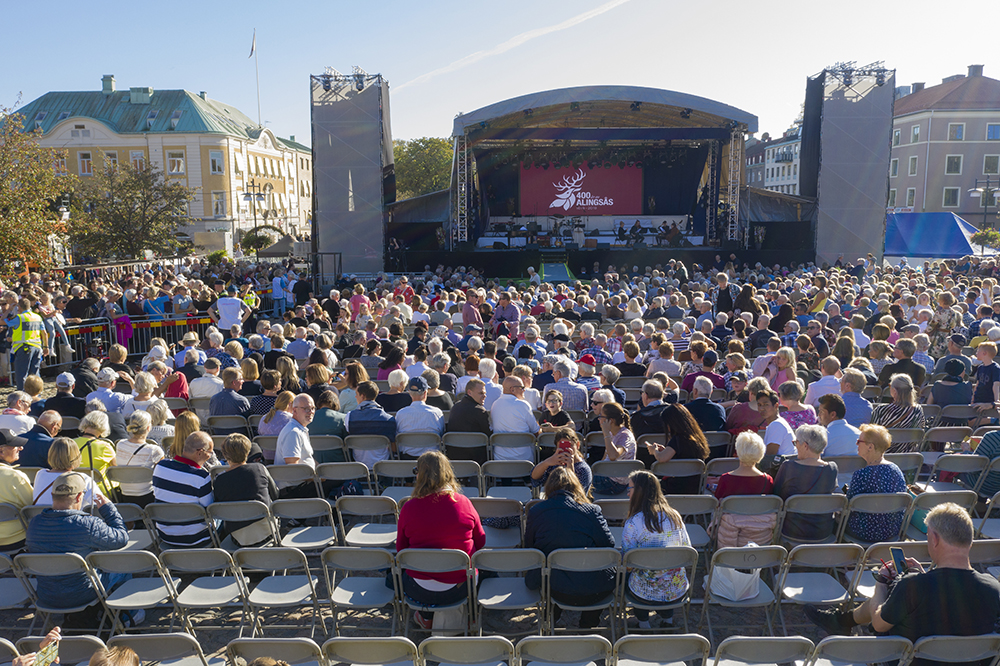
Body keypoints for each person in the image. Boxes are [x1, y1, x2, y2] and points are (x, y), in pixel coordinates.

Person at [806, 503, 1000, 663]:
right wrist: (925, 576)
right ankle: (842, 621)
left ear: (934, 539)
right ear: (970, 541)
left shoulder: (912, 586)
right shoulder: (994, 589)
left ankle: (841, 621)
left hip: (906, 660)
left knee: (888, 596)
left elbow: (878, 624)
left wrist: (881, 582)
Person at [25, 471, 136, 629]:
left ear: (52, 495)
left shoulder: (34, 524)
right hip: (83, 594)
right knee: (123, 567)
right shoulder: (88, 524)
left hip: (47, 595)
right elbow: (121, 538)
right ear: (79, 497)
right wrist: (108, 509)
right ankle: (128, 616)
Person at [394, 450, 485, 630]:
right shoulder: (464, 502)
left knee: (392, 575)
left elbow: (401, 550)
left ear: (419, 475)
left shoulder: (409, 508)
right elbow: (480, 542)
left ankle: (426, 616)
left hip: (418, 589)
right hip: (459, 589)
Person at [525, 466, 616, 629]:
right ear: (576, 486)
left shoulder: (536, 511)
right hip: (593, 588)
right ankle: (588, 624)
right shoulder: (591, 511)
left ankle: (552, 618)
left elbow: (530, 548)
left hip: (553, 587)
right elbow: (608, 545)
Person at [621, 470, 692, 629]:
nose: (628, 494)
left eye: (630, 489)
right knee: (667, 574)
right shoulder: (675, 516)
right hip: (675, 590)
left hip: (643, 593)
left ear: (639, 491)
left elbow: (628, 563)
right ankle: (667, 621)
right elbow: (687, 551)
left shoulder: (633, 523)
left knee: (627, 575)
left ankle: (643, 624)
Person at [772, 424, 839, 542]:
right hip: (822, 532)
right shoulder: (832, 468)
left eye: (796, 443)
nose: (795, 446)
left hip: (792, 531)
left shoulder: (788, 467)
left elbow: (776, 497)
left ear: (805, 446)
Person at [843, 424, 908, 543]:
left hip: (862, 533)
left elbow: (847, 506)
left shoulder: (861, 474)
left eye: (859, 441)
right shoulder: (897, 471)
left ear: (870, 447)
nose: (856, 444)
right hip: (890, 532)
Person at [213, 434, 279, 547]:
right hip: (268, 532)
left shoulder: (218, 480)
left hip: (239, 538)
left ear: (224, 455)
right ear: (248, 453)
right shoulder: (259, 469)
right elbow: (275, 494)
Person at [151, 431, 215, 548]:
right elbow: (209, 509)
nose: (210, 456)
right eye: (210, 452)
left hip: (165, 535)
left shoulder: (160, 466)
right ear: (200, 453)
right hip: (196, 538)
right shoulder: (201, 477)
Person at [648, 404, 710, 493]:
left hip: (675, 487)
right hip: (694, 488)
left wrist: (654, 451)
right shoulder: (697, 438)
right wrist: (666, 450)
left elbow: (662, 458)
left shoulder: (677, 439)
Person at [114, 410, 164, 507]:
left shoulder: (120, 444)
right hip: (148, 497)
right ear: (149, 428)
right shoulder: (154, 450)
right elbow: (161, 475)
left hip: (124, 496)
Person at [344, 381, 397, 470]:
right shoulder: (389, 419)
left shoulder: (349, 417)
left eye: (356, 394)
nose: (355, 397)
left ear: (362, 396)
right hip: (382, 463)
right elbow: (394, 448)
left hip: (358, 463)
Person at [592, 401, 637, 496]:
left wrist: (606, 434)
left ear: (610, 420)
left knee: (577, 480)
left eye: (601, 416)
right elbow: (604, 458)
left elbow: (613, 456)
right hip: (606, 476)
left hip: (616, 483)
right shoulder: (613, 433)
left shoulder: (624, 436)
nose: (599, 419)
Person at [490, 376, 540, 461]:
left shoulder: (495, 404)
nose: (524, 390)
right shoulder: (523, 405)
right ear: (512, 389)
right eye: (522, 387)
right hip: (525, 460)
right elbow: (536, 432)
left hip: (500, 460)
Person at [395, 376, 446, 459]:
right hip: (432, 459)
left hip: (407, 457)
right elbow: (441, 433)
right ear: (425, 393)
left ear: (410, 393)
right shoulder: (437, 413)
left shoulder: (400, 413)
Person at [872, 374, 926, 450]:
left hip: (884, 454)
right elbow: (920, 432)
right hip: (909, 455)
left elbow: (873, 434)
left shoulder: (881, 410)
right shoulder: (918, 410)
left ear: (894, 391)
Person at [0, 430, 33, 553]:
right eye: (15, 446)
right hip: (15, 541)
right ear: (1, 451)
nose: (21, 448)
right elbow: (31, 509)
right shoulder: (15, 477)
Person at [530, 427, 592, 491]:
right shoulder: (554, 463)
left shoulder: (583, 469)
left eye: (570, 445)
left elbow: (576, 493)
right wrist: (546, 463)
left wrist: (570, 468)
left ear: (577, 445)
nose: (567, 449)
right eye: (562, 446)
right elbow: (534, 478)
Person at [6, 297, 48, 390]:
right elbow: (44, 333)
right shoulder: (38, 317)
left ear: (19, 307)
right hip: (37, 348)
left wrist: (9, 309)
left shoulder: (19, 318)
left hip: (24, 348)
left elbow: (2, 320)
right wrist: (46, 346)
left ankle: (22, 395)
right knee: (35, 374)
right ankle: (37, 394)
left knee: (22, 374)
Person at [74, 411, 117, 498]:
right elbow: (116, 469)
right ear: (104, 427)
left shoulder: (71, 443)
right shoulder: (105, 446)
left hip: (75, 489)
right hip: (100, 493)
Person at [209, 366, 252, 431]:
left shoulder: (214, 399)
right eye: (241, 379)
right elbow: (249, 422)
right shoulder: (241, 400)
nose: (243, 381)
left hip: (218, 436)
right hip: (238, 436)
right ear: (234, 382)